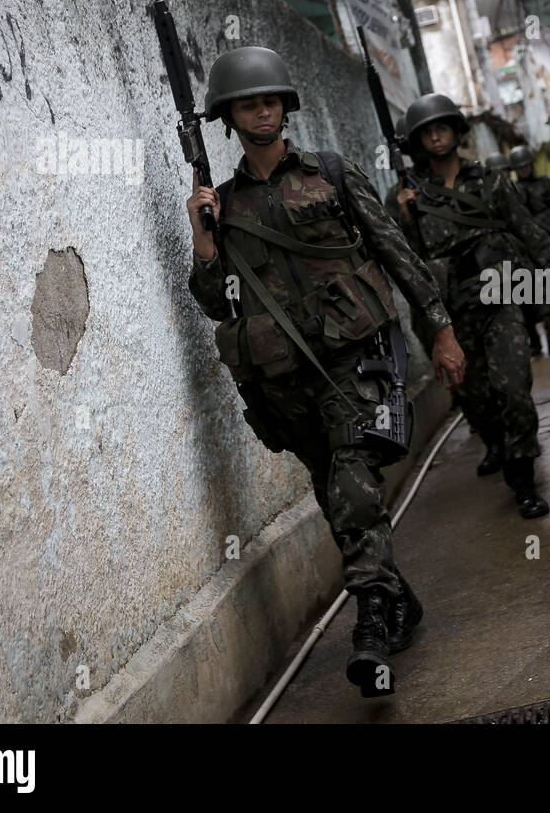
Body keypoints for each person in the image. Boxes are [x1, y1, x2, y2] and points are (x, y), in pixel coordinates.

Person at [185, 47, 465, 698]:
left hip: (354, 360)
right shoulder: (221, 204)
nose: (262, 109)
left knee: (354, 481)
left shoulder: (332, 175)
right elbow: (210, 301)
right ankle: (401, 600)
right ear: (229, 115)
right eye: (248, 102)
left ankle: (369, 621)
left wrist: (441, 330)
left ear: (286, 107)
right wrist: (204, 243)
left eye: (271, 99)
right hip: (282, 383)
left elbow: (395, 253)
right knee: (339, 492)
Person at [387, 93, 550, 519]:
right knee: (476, 397)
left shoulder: (490, 181)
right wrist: (405, 218)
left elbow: (527, 230)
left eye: (442, 127)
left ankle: (523, 480)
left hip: (501, 295)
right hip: (448, 312)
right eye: (427, 131)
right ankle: (496, 447)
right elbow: (404, 261)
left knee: (513, 389)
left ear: (456, 130)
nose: (436, 136)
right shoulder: (407, 195)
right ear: (416, 140)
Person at [509, 144, 550, 358]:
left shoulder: (545, 183)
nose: (524, 169)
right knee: (542, 290)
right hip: (532, 247)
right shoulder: (513, 190)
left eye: (526, 165)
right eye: (520, 167)